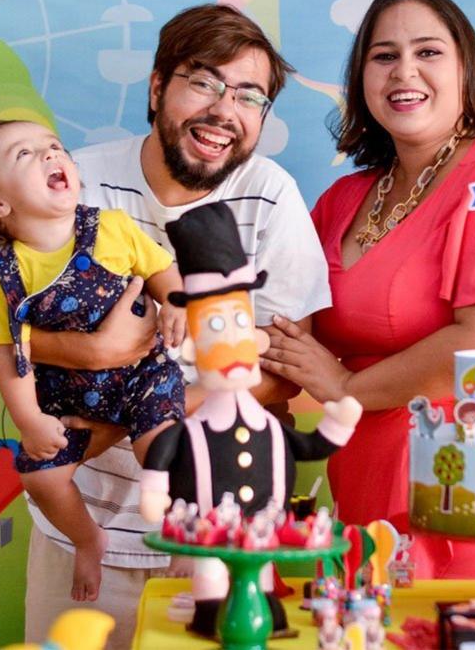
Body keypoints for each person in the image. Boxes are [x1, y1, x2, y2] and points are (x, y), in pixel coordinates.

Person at [0, 4, 330, 647]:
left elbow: (289, 369)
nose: (224, 108)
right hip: (82, 525)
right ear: (157, 89)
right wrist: (90, 353)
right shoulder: (73, 179)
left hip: (216, 533)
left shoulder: (273, 195)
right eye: (204, 81)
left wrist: (146, 410)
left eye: (250, 96)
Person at [261, 0, 475, 579]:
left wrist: (343, 386)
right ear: (362, 79)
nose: (403, 71)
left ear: (467, 71)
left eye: (428, 52)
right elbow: (279, 327)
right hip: (364, 480)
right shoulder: (342, 200)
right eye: (383, 56)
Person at [0, 118, 187, 603]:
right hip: (69, 398)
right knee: (40, 475)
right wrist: (30, 420)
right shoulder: (5, 278)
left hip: (142, 378)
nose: (50, 155)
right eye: (25, 154)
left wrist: (178, 302)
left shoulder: (112, 229)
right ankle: (87, 539)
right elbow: (11, 357)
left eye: (54, 146)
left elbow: (162, 269)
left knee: (159, 452)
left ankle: (188, 534)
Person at [139, 201, 361, 637]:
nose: (233, 340)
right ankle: (209, 613)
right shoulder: (191, 433)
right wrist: (154, 491)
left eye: (240, 322)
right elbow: (162, 456)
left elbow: (312, 447)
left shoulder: (270, 429)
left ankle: (265, 610)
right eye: (216, 329)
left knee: (258, 579)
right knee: (211, 579)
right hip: (205, 539)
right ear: (190, 351)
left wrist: (340, 422)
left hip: (263, 543)